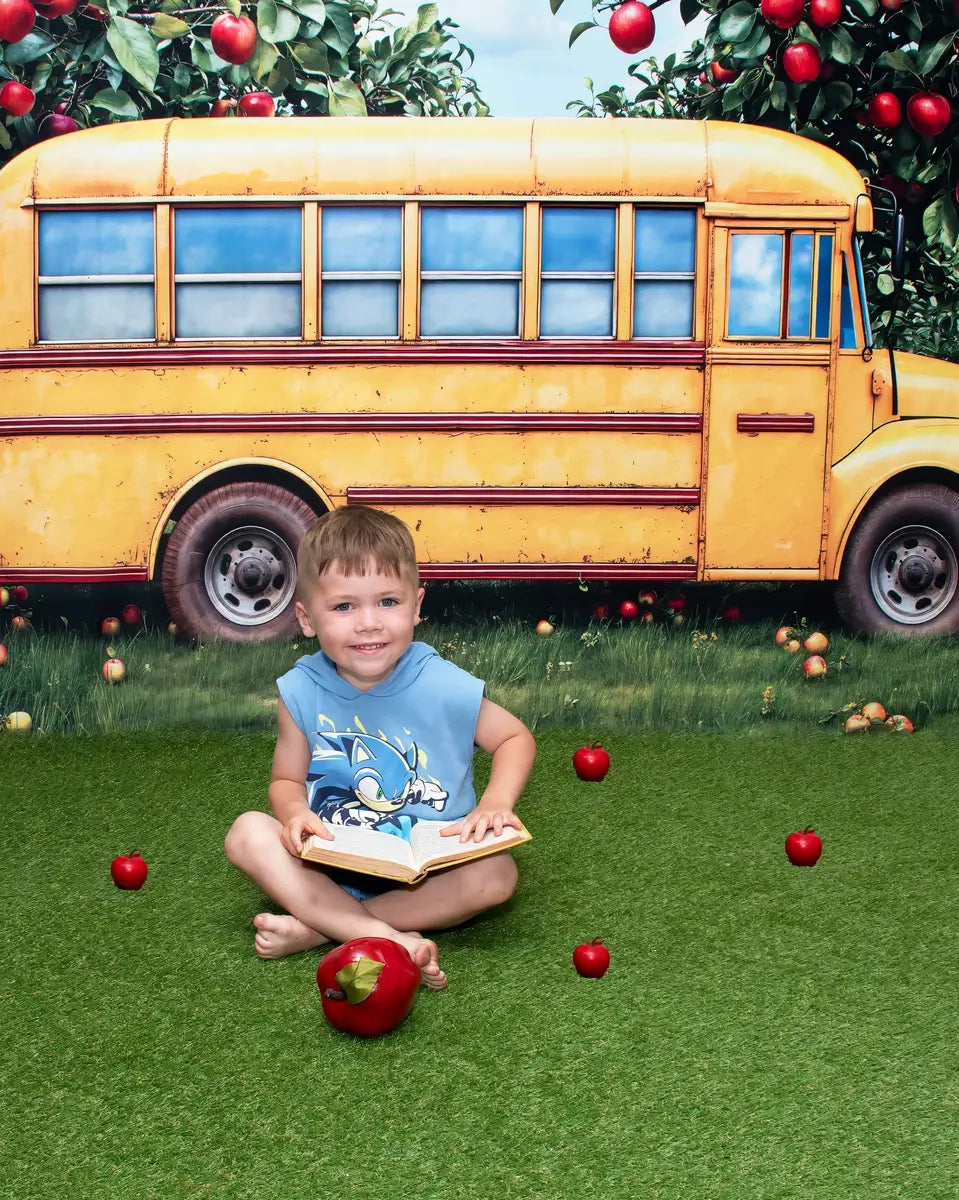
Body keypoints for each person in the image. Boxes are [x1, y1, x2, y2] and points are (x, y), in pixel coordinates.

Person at [224, 504, 536, 989]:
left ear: (416, 605)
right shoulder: (300, 691)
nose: (368, 623)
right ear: (306, 618)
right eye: (344, 607)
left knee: (497, 876)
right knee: (246, 832)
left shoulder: (440, 682)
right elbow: (286, 780)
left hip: (431, 872)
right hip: (334, 862)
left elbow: (515, 738)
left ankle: (321, 929)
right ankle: (382, 935)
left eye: (387, 602)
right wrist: (292, 815)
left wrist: (496, 804)